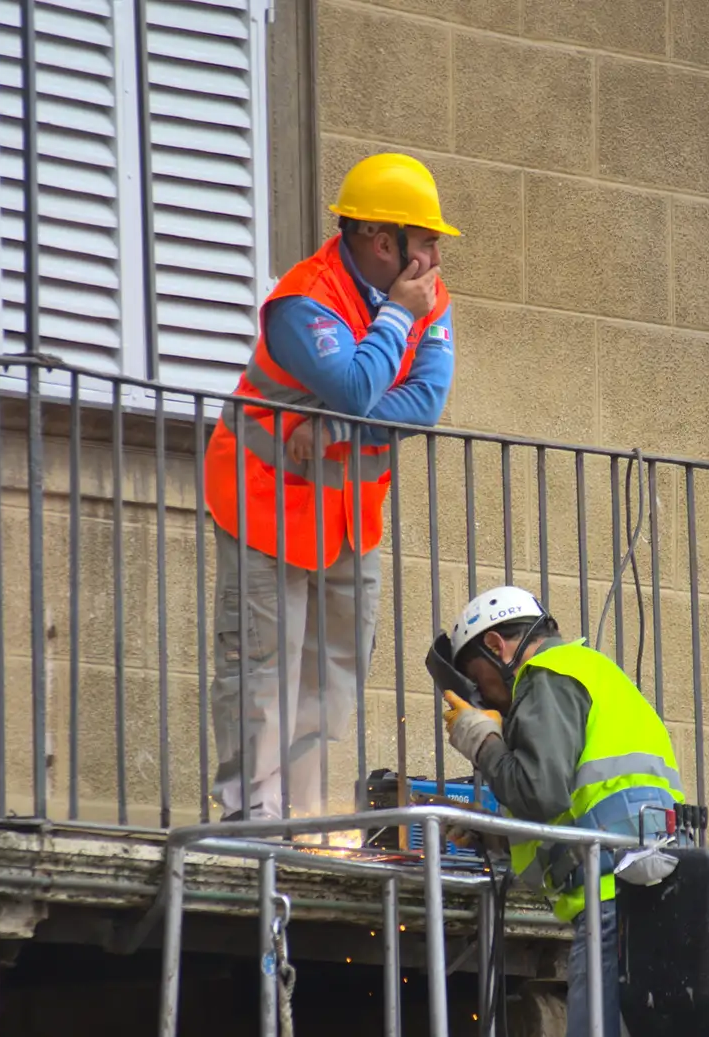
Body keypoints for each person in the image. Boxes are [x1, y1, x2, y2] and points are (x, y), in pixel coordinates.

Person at [203, 153, 459, 821]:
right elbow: (349, 386)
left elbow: (426, 403)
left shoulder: (431, 295)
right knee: (263, 668)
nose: (434, 254)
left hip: (348, 519)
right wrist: (398, 319)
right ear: (384, 240)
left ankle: (306, 812)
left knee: (332, 674)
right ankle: (252, 813)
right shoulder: (302, 300)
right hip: (264, 503)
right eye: (425, 238)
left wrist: (335, 425)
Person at [430, 586, 684, 1037]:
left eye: (479, 679)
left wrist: (482, 741)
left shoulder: (545, 673)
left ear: (496, 647)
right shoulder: (593, 671)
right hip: (640, 892)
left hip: (608, 896)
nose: (486, 699)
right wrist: (492, 835)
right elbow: (573, 806)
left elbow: (539, 791)